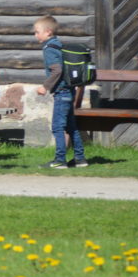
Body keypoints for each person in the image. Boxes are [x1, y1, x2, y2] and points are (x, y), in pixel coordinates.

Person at [34, 15, 87, 169]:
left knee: (58, 127)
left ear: (48, 32)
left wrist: (45, 86)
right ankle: (80, 158)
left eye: (37, 31)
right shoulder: (59, 45)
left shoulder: (50, 48)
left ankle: (59, 160)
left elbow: (57, 70)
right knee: (71, 126)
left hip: (62, 92)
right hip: (69, 91)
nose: (35, 35)